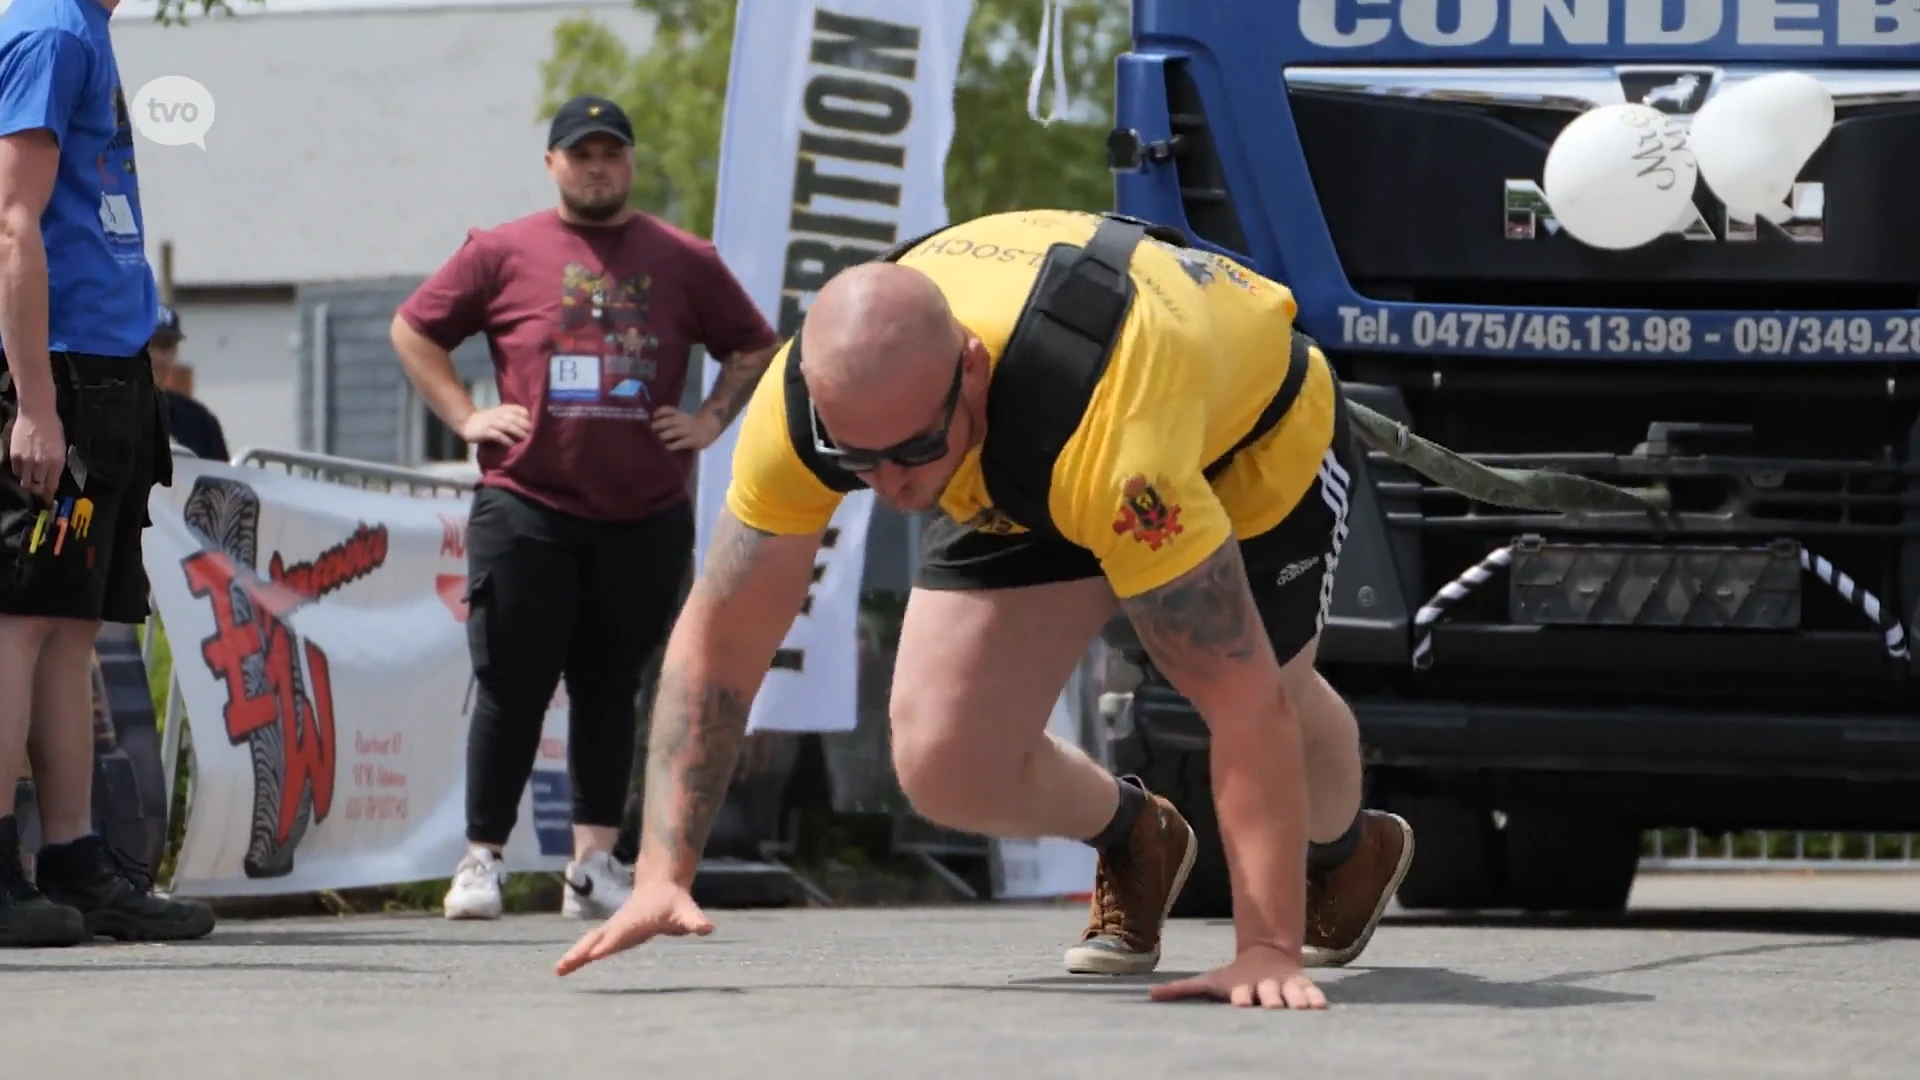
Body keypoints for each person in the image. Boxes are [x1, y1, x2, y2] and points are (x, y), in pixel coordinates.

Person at [554, 208, 1418, 1009]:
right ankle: (1137, 836)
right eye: (860, 461)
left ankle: (1346, 852)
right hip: (1021, 457)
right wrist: (664, 870)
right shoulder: (805, 412)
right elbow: (722, 637)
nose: (892, 491)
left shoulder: (1113, 441)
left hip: (1242, 444)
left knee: (1266, 683)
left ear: (969, 367)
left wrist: (1268, 947)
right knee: (945, 760)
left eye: (911, 454)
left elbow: (1241, 701)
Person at [392, 94, 779, 922]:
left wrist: (710, 419)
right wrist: (465, 415)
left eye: (611, 153)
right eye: (581, 153)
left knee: (611, 689)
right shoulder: (499, 251)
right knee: (511, 684)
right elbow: (414, 329)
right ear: (552, 164)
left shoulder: (683, 258)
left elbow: (753, 343)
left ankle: (595, 866)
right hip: (526, 504)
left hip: (643, 511)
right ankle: (481, 861)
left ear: (629, 163)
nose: (597, 166)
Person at [0, 0, 216, 947]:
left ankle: (77, 857)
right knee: (19, 615)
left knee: (73, 618)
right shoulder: (48, 28)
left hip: (109, 365)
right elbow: (13, 222)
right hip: (60, 374)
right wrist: (35, 402)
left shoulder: (86, 26)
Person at [147, 305, 228, 461]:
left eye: (166, 346)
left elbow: (221, 481)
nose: (158, 358)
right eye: (150, 345)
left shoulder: (199, 422)